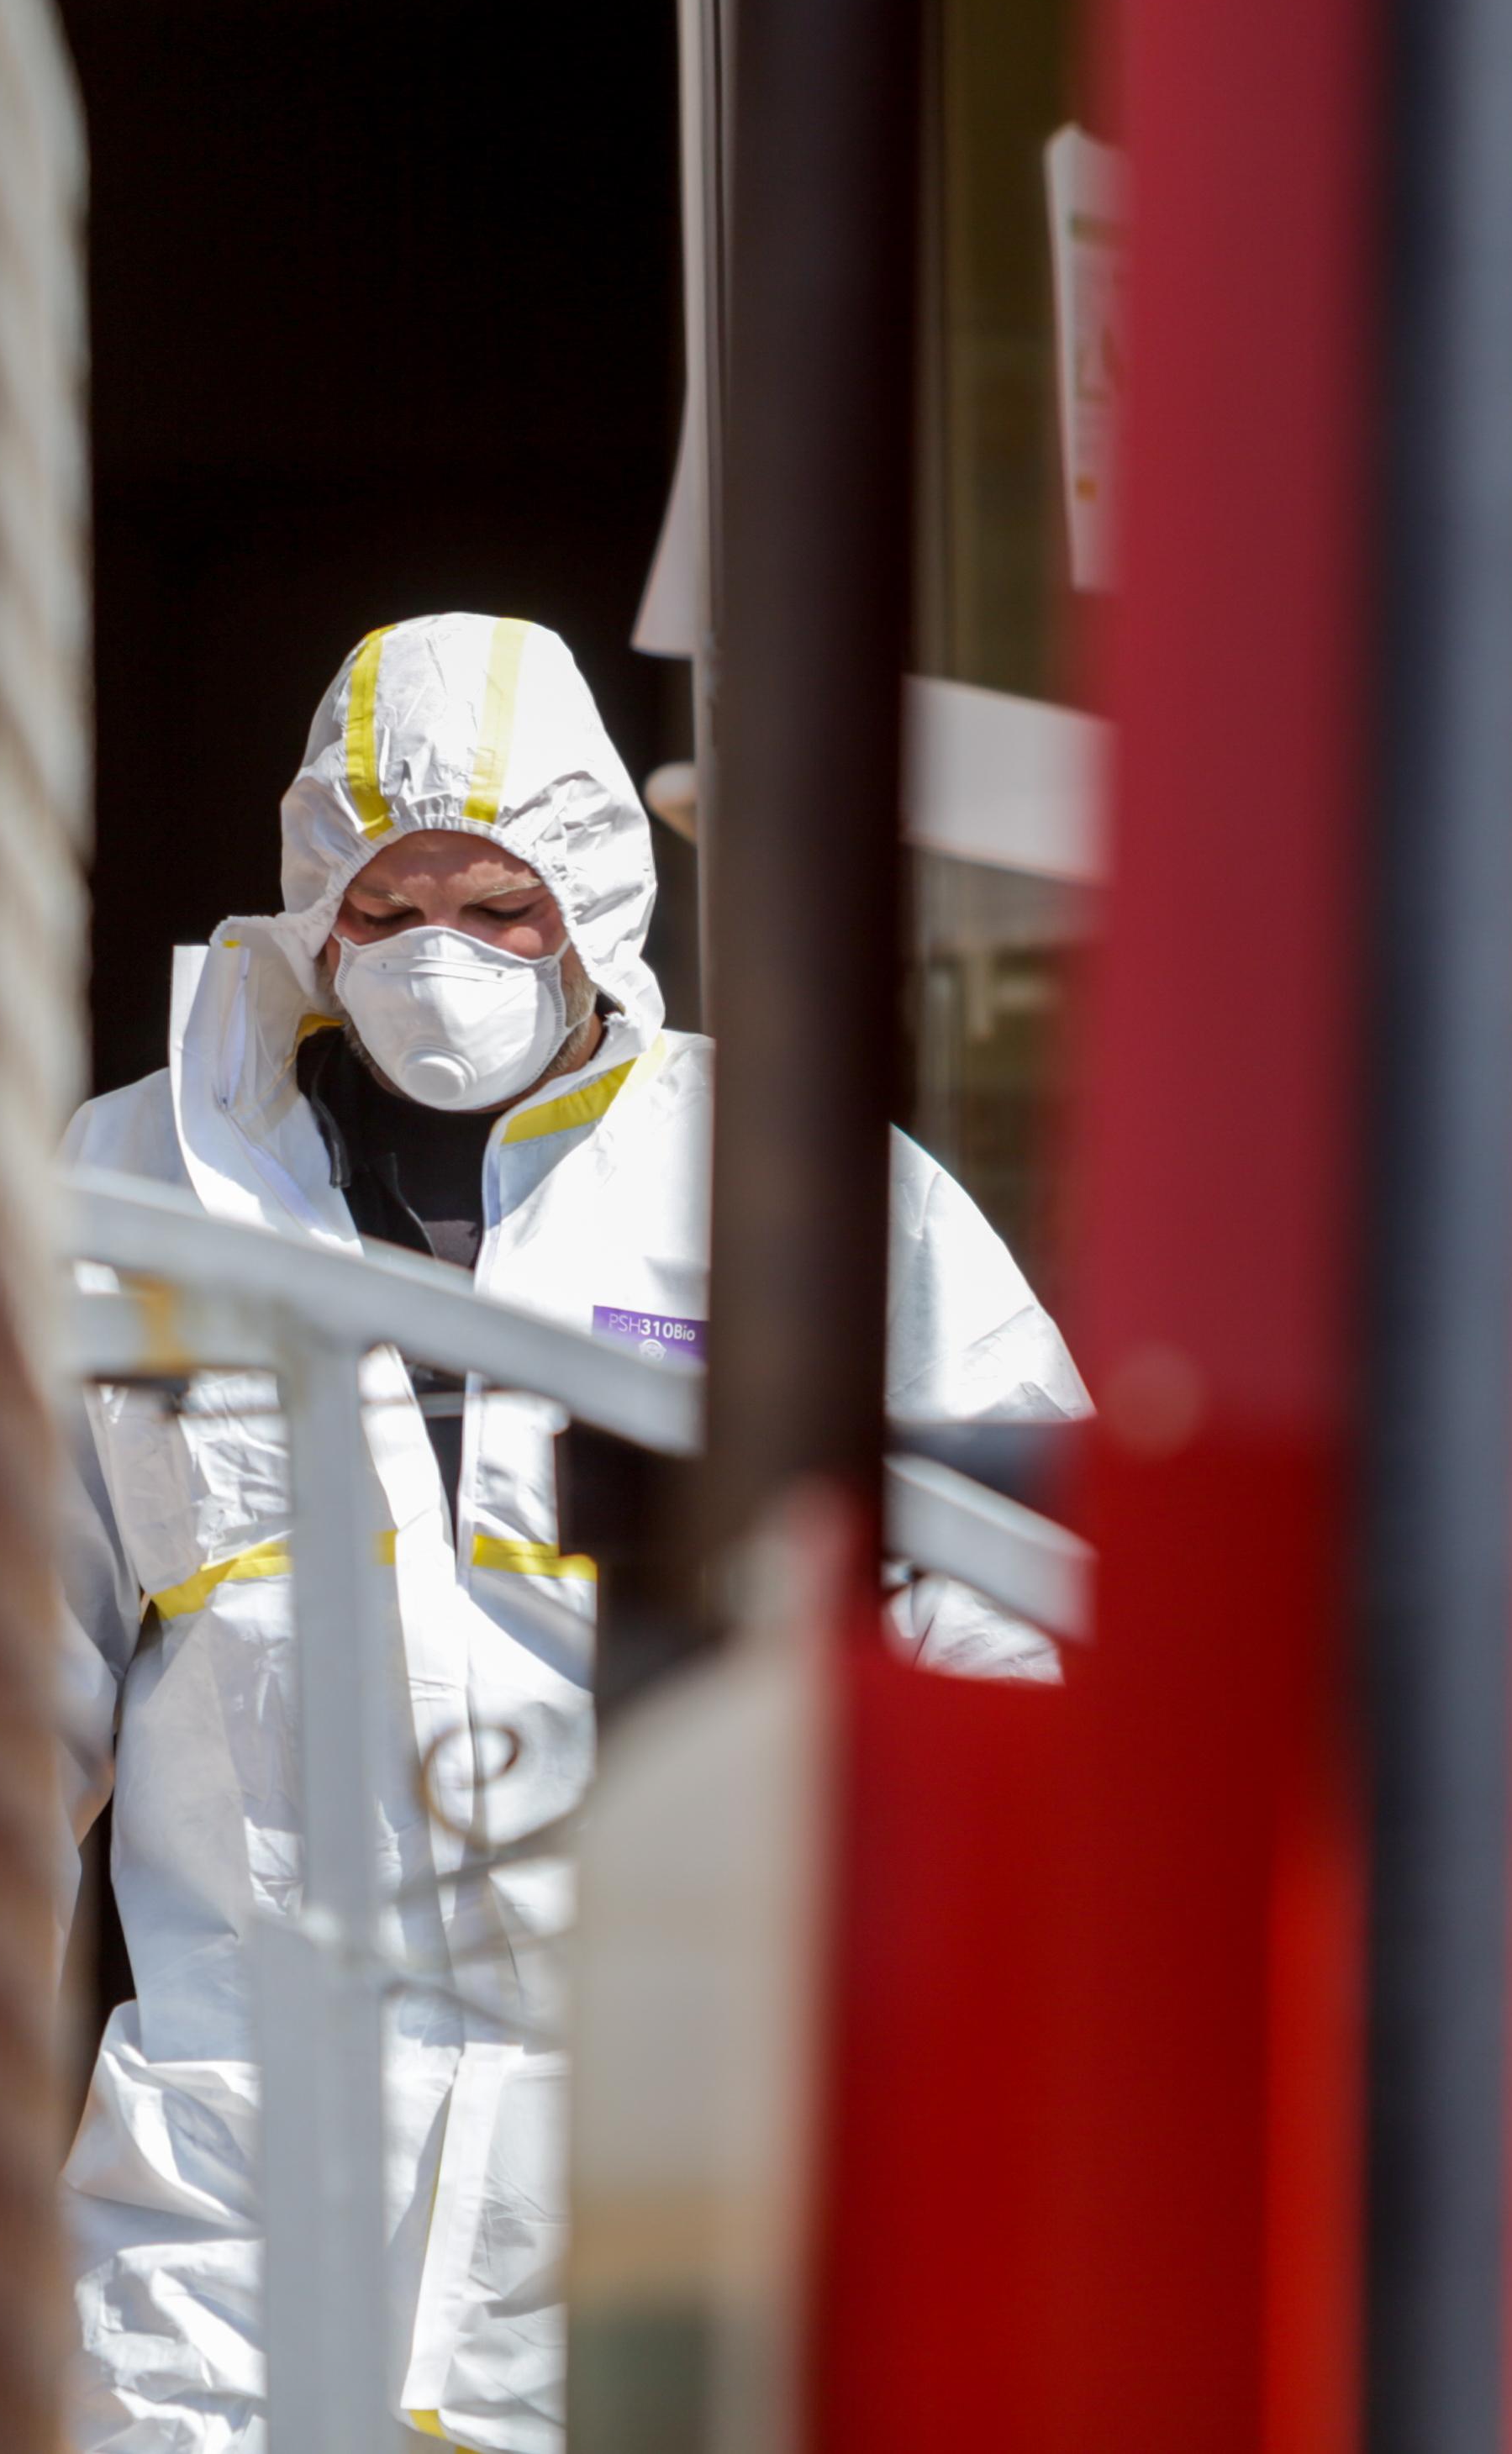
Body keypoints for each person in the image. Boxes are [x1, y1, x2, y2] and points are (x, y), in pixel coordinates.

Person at [55, 614, 1083, 2454]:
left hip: (662, 2148)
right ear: (313, 913)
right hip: (236, 2195)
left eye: (499, 905)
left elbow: (1020, 1614)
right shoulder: (137, 1198)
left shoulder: (786, 1183)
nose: (442, 955)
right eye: (391, 908)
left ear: (595, 903)